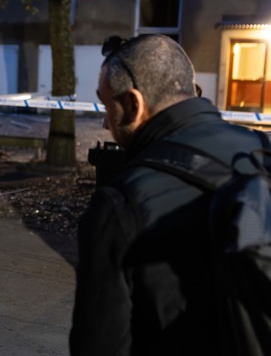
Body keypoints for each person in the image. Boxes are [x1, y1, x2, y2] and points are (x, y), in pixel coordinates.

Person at [69, 34, 268, 355]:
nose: (105, 122)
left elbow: (100, 345)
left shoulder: (121, 203)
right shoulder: (261, 152)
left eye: (106, 106)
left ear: (133, 105)